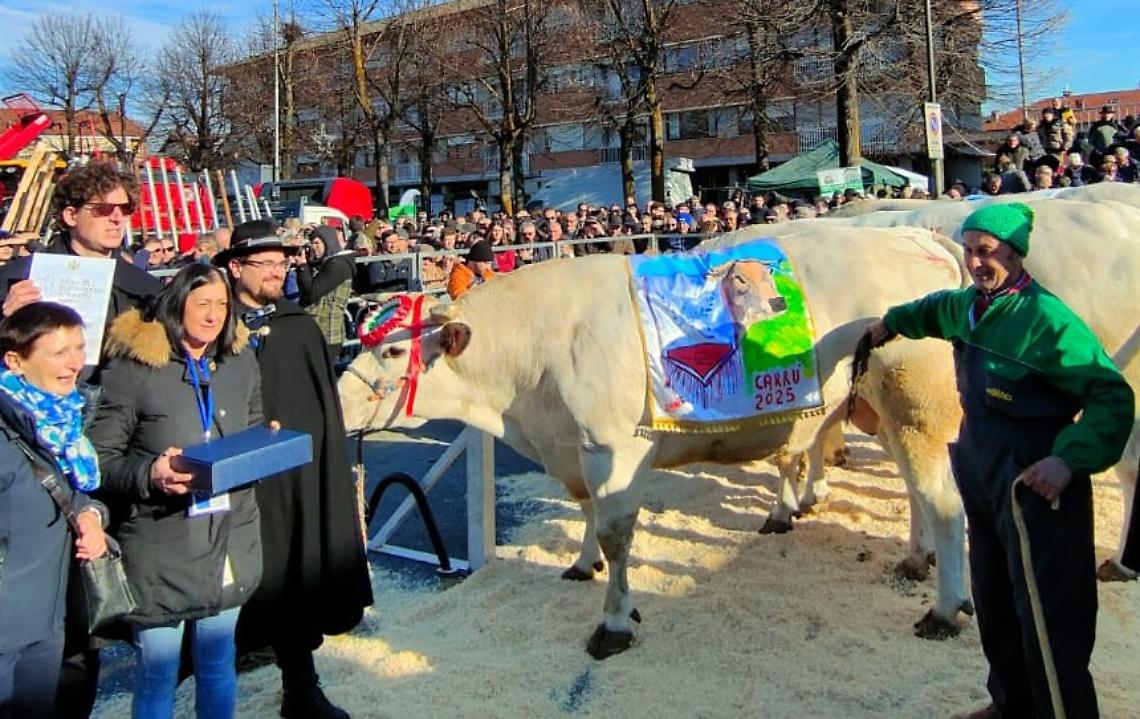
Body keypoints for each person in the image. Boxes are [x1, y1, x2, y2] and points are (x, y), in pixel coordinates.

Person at [863, 203, 1134, 719]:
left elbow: (1112, 396)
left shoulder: (1047, 320)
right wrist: (889, 323)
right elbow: (931, 309)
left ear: (1015, 253)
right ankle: (1011, 705)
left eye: (986, 252)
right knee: (995, 597)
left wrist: (1068, 461)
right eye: (968, 250)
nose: (974, 262)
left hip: (1034, 477)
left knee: (1049, 613)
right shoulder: (968, 307)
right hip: (981, 467)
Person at [0, 161, 160, 717]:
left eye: (126, 209)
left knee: (89, 615)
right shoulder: (18, 278)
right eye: (104, 209)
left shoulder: (143, 288)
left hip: (106, 462)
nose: (118, 219)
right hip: (28, 467)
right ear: (69, 215)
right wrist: (5, 317)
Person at [88, 264, 265, 719]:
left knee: (218, 662)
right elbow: (99, 459)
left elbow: (255, 426)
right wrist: (151, 473)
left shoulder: (240, 359)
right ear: (176, 305)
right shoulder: (134, 368)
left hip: (230, 534)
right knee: (159, 670)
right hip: (161, 541)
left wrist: (267, 448)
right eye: (202, 304)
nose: (213, 316)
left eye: (222, 305)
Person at [215, 221, 371, 719]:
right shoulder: (211, 321)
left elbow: (319, 411)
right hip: (226, 477)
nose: (277, 272)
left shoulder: (296, 327)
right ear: (235, 267)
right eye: (265, 263)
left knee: (292, 574)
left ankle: (300, 689)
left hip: (290, 479)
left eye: (282, 263)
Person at [0, 303, 108, 719]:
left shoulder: (61, 422)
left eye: (79, 348)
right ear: (16, 361)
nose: (75, 363)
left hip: (48, 621)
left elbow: (69, 492)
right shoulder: (12, 427)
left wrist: (91, 516)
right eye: (59, 352)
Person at [297, 225, 355, 365]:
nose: (313, 247)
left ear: (327, 242)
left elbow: (312, 292)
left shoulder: (337, 265)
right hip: (317, 330)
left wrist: (303, 266)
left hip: (328, 333)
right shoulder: (326, 263)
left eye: (317, 243)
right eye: (312, 243)